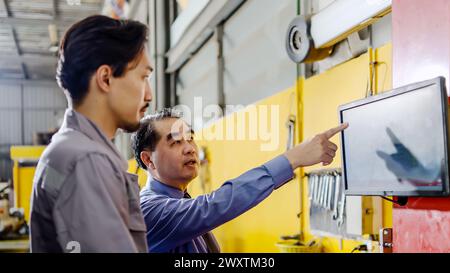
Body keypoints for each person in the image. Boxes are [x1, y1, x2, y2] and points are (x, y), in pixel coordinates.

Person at [132, 108, 348, 253]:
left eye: (190, 138)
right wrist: (293, 158)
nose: (190, 148)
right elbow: (215, 205)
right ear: (148, 159)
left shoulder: (179, 200)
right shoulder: (149, 210)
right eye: (176, 142)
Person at [29, 15, 153, 253]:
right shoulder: (86, 162)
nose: (148, 94)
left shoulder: (66, 150)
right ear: (106, 78)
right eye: (143, 77)